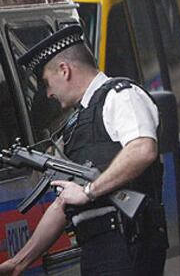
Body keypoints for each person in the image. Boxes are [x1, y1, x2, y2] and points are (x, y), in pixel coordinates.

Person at [0, 25, 168, 275]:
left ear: (64, 70)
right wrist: (20, 262)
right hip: (98, 248)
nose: (47, 94)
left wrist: (89, 191)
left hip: (127, 242)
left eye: (46, 83)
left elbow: (142, 149)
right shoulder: (77, 121)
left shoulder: (120, 96)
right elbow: (65, 202)